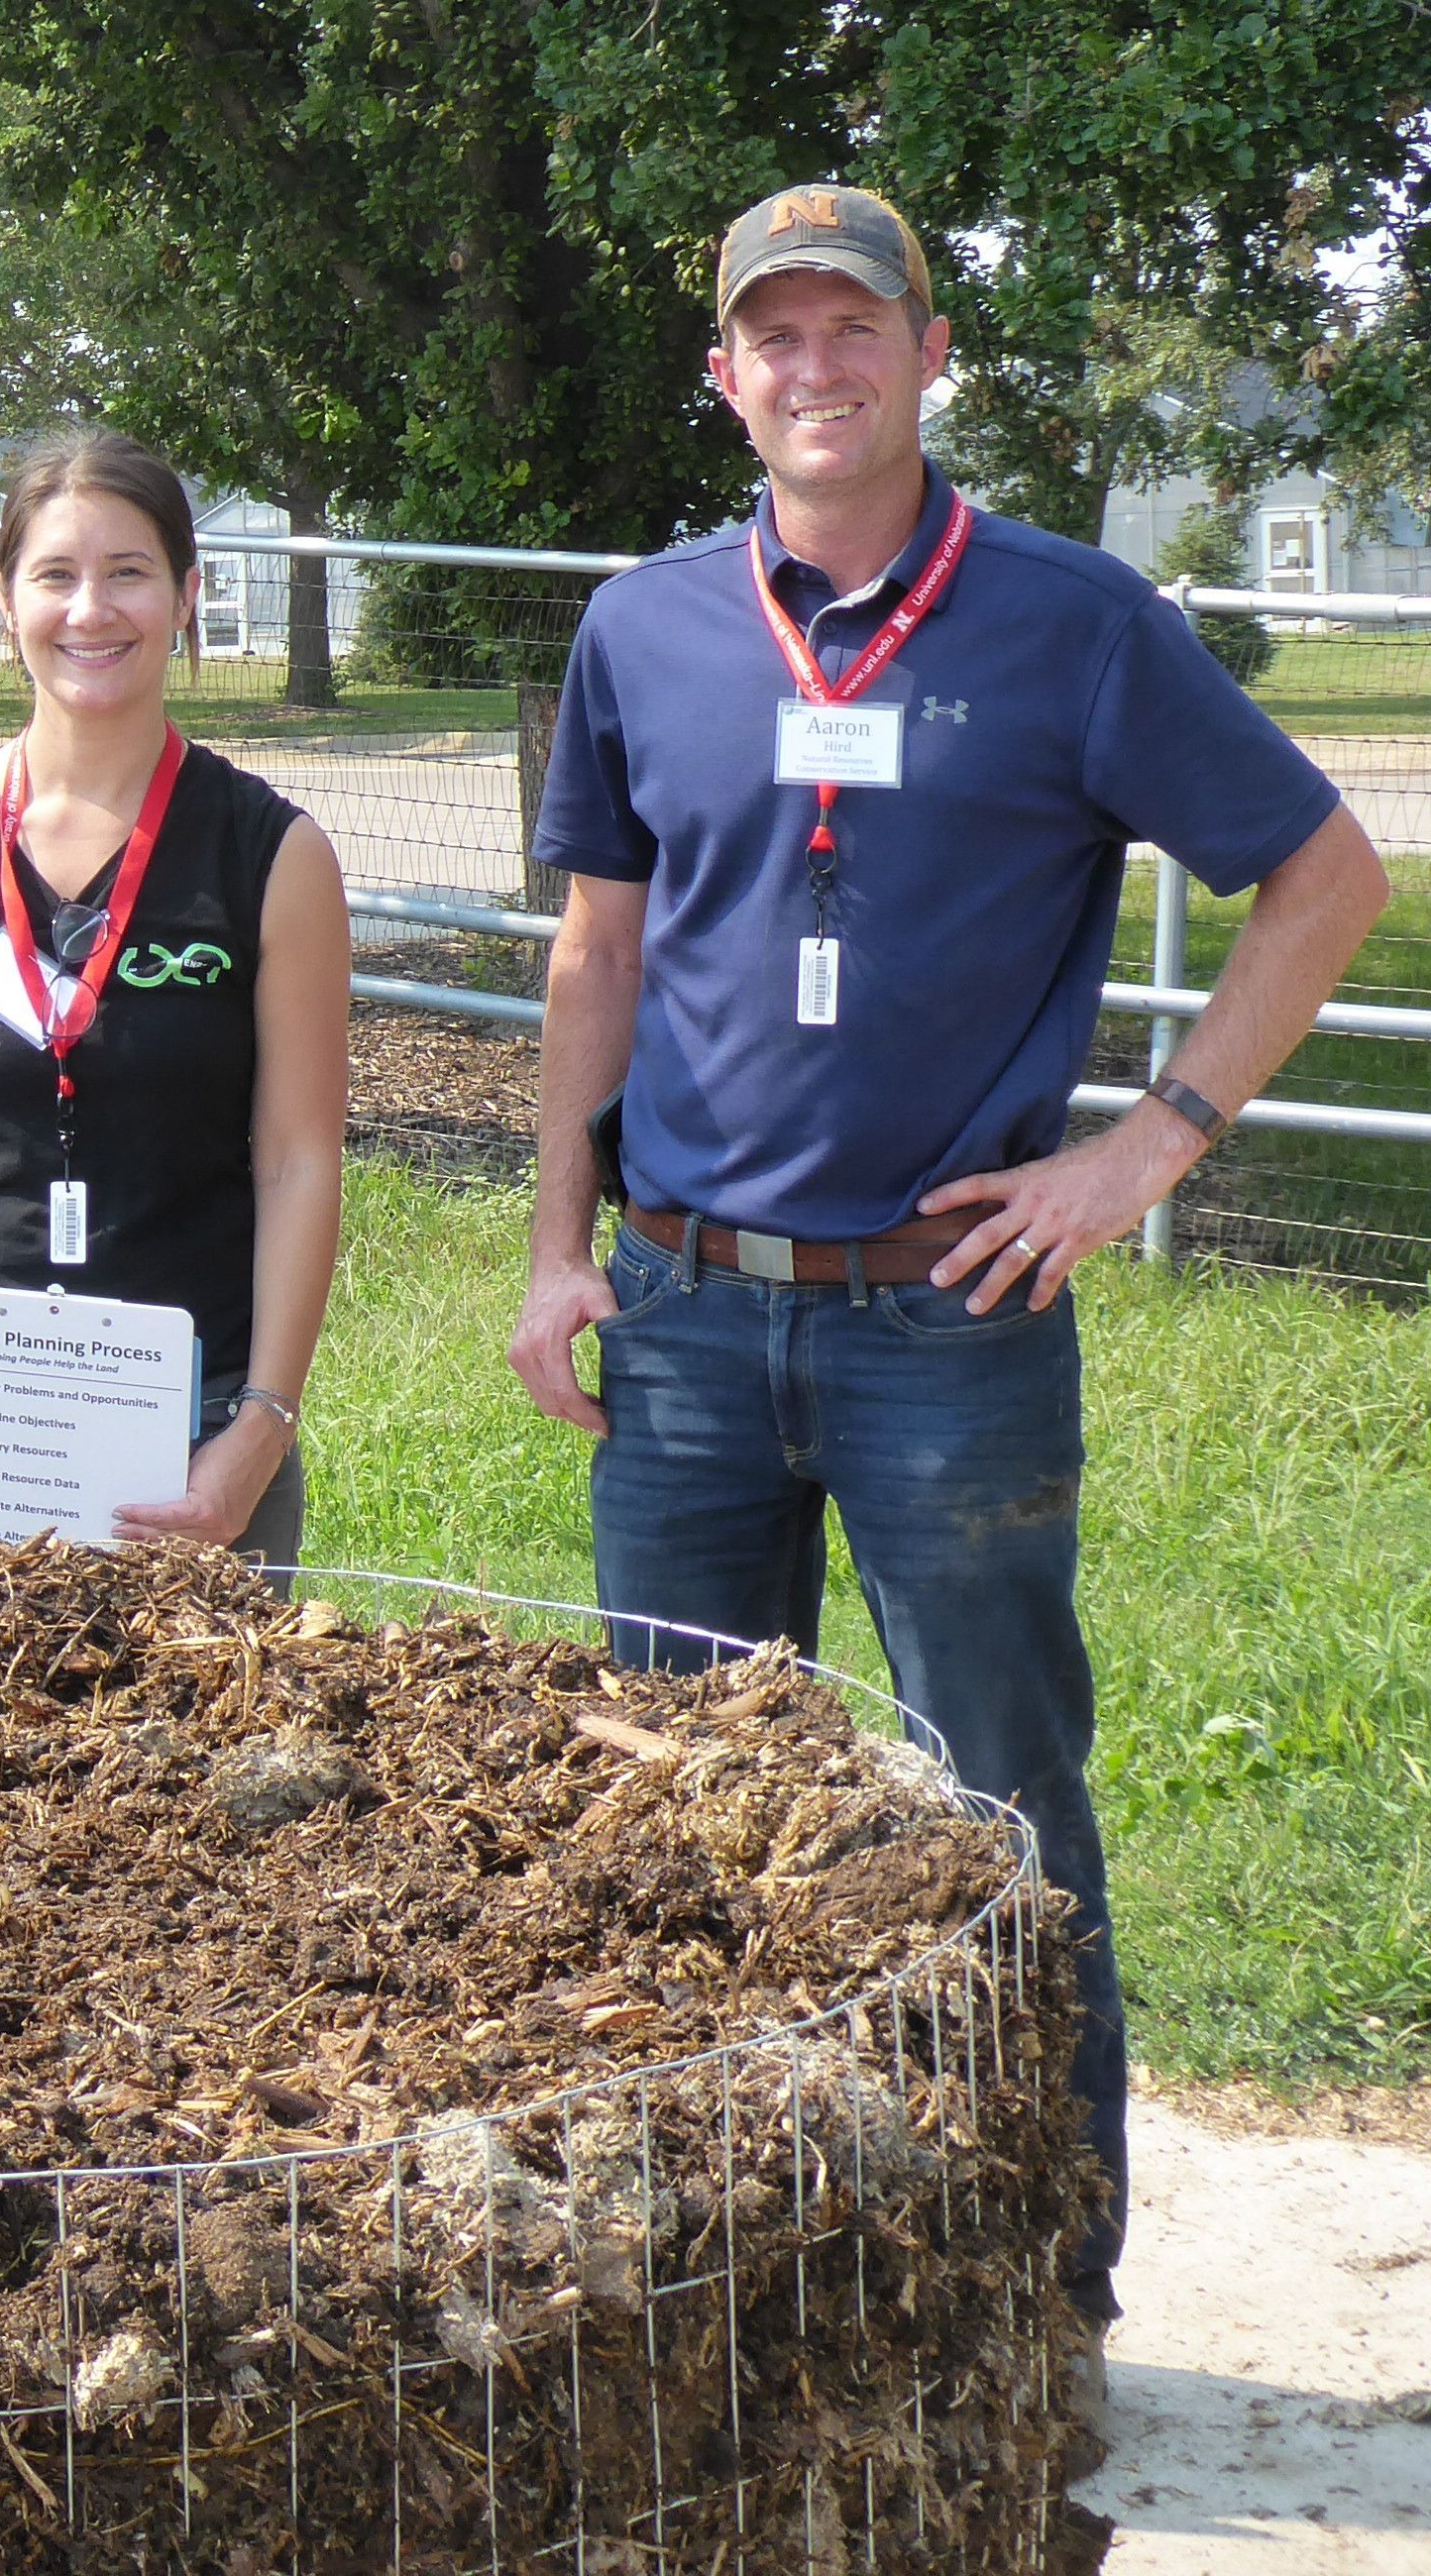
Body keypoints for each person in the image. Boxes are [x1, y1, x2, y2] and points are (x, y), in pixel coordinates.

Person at [507, 182, 1388, 2424]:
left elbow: (1322, 872)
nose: (811, 368)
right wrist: (551, 1246)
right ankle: (711, 2293)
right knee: (683, 1815)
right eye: (768, 336)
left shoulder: (1073, 623)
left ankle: (1045, 2304)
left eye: (850, 329)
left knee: (999, 1813)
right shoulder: (642, 632)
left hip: (947, 1332)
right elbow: (595, 951)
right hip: (688, 1316)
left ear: (923, 356)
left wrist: (1146, 1143)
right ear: (723, 374)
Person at [0, 430, 349, 1569]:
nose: (90, 610)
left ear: (188, 595)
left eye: (129, 572)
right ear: (3, 599)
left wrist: (260, 1427)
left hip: (193, 1436)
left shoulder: (271, 856)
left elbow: (298, 1161)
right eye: (54, 574)